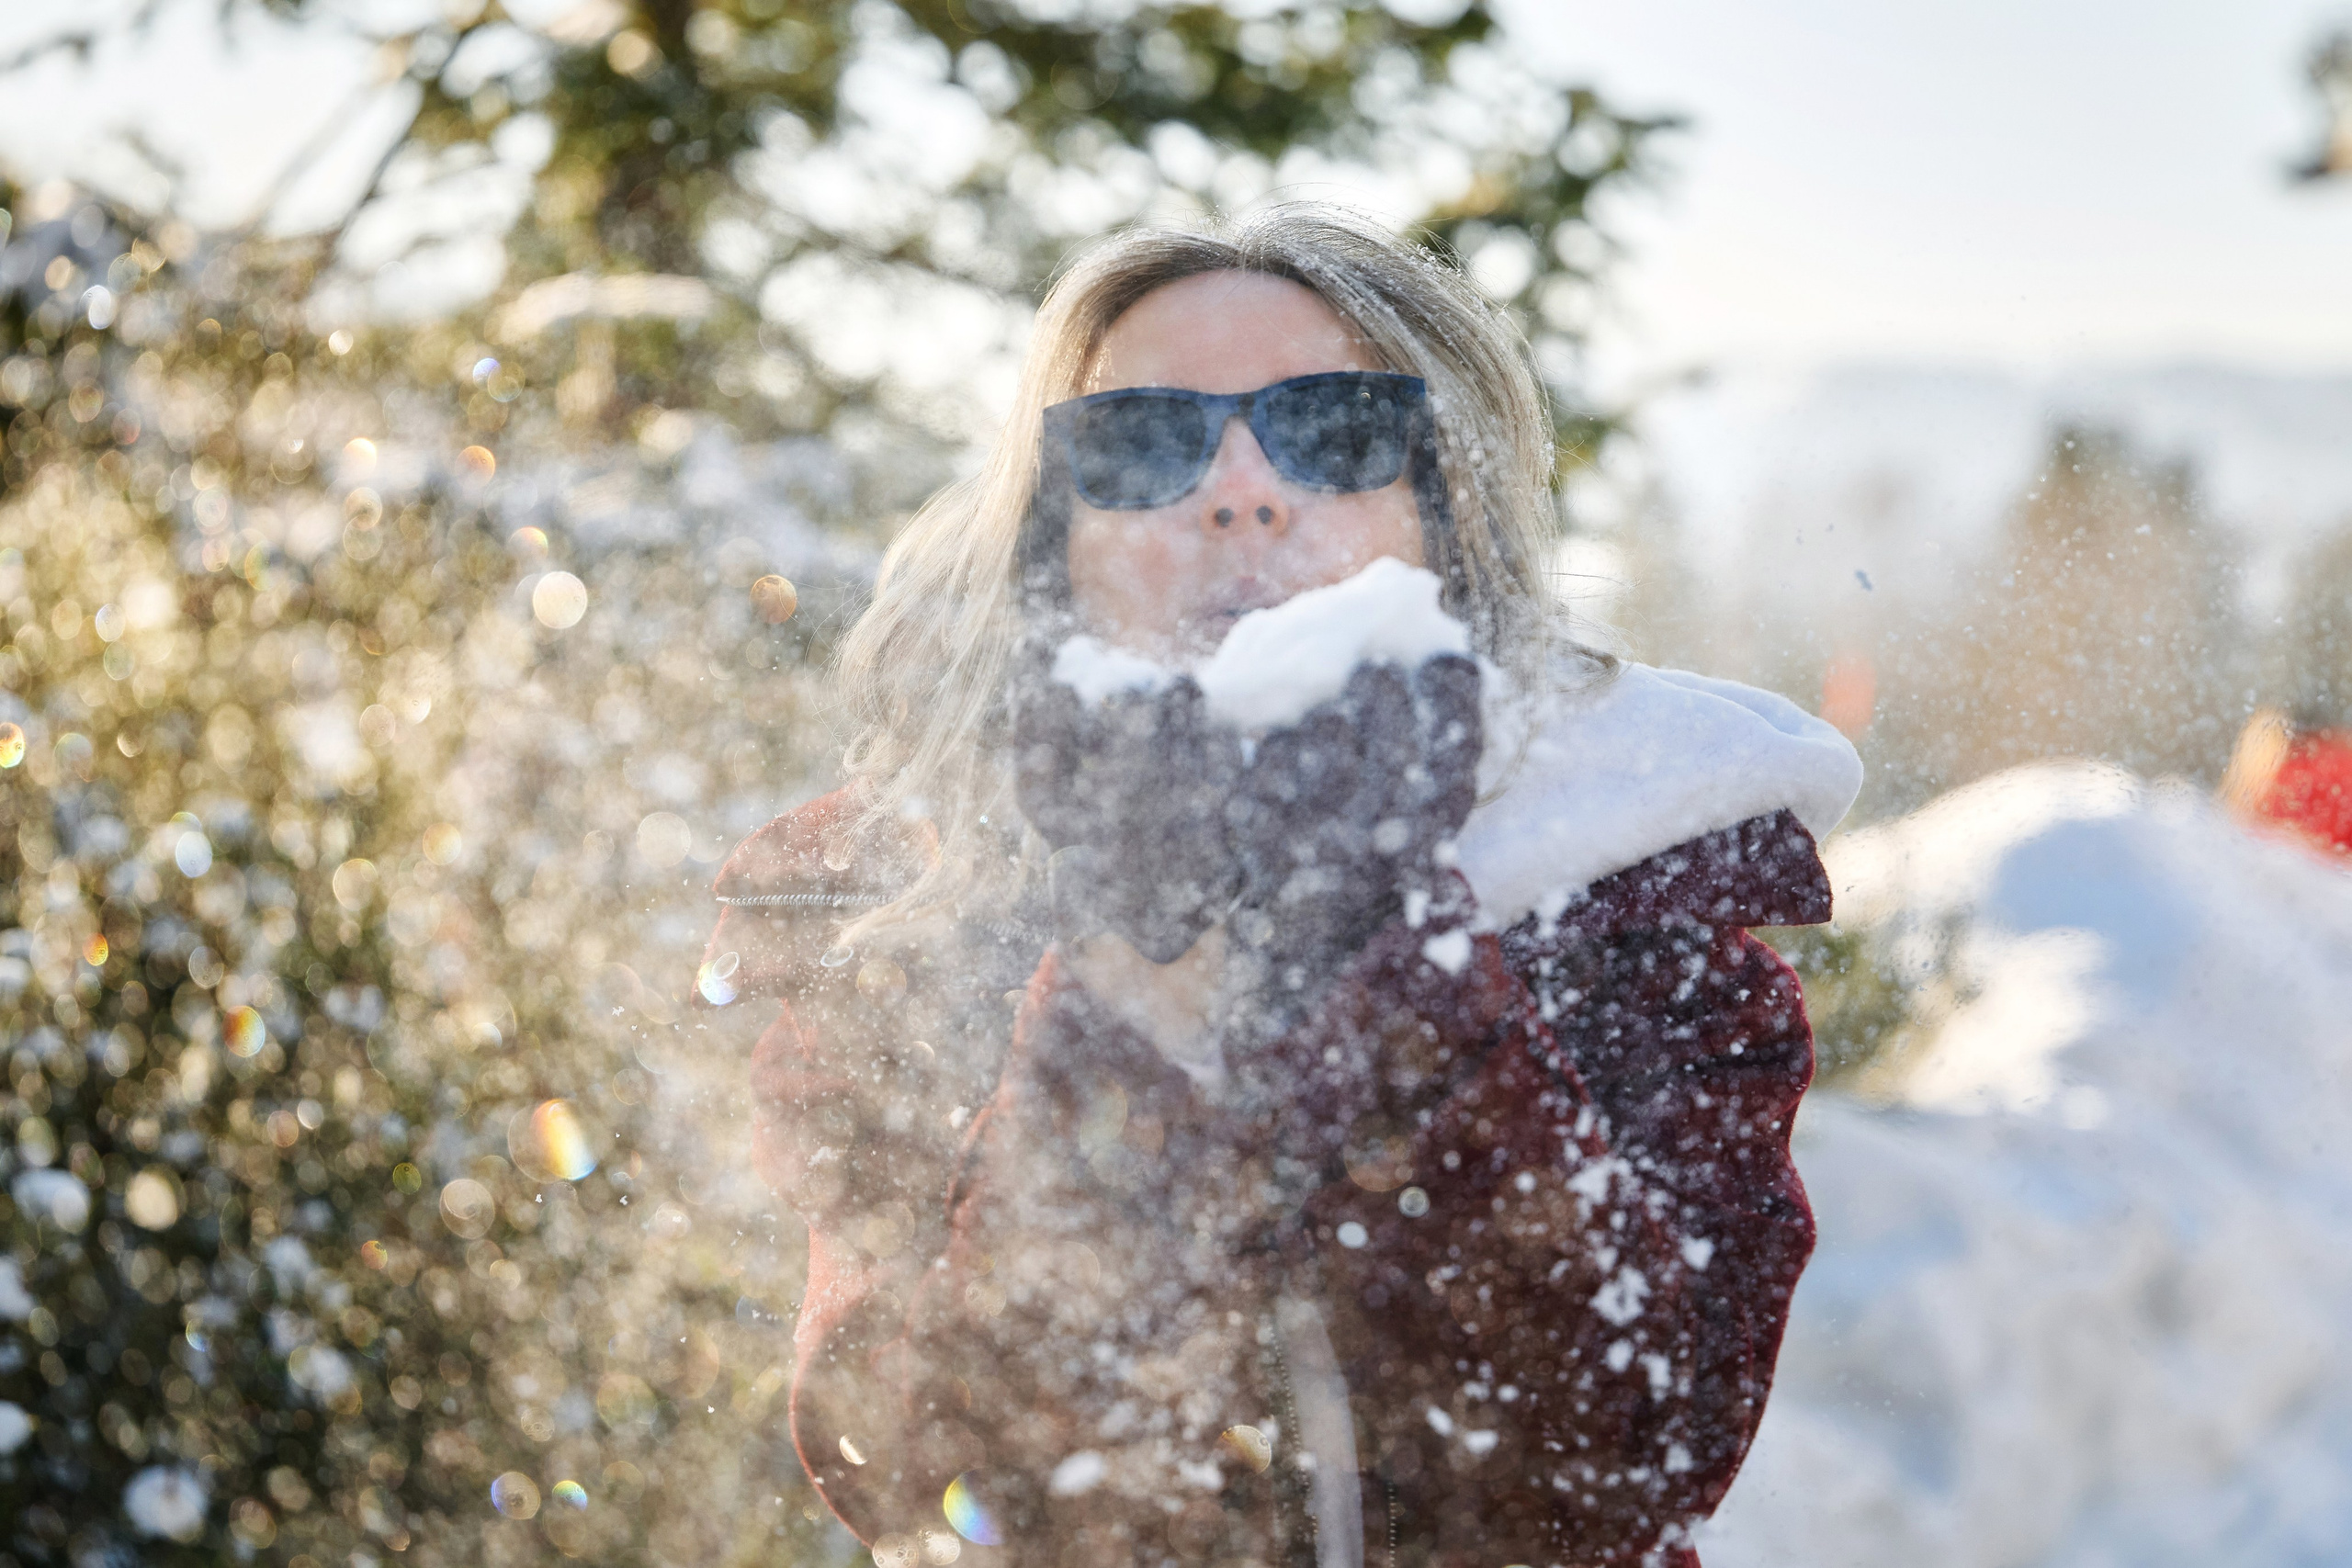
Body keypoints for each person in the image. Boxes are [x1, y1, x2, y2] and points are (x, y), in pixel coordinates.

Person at [695, 204, 1863, 1568]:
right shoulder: (913, 923)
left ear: (1449, 511)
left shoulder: (1629, 898)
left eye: (1337, 431)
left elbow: (1619, 1458)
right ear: (1058, 534)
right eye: (1142, 443)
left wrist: (1381, 934)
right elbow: (920, 1471)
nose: (1240, 492)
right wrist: (1130, 986)